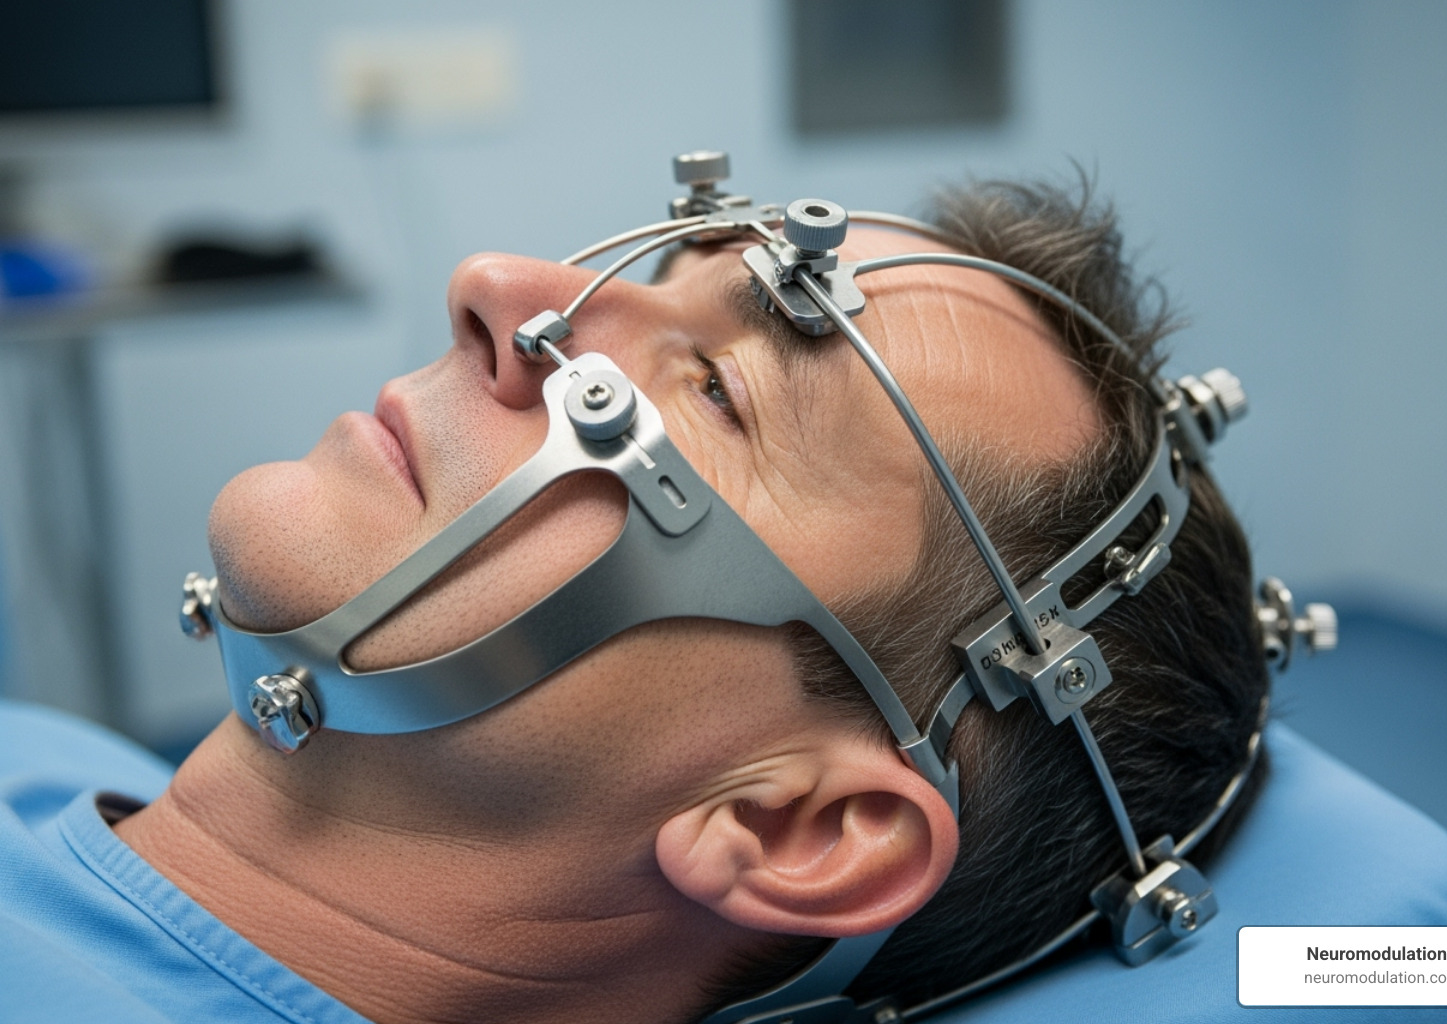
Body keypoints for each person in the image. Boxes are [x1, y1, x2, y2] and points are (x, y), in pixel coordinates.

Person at [0, 173, 1271, 1024]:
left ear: (797, 828)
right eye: (661, 271)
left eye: (719, 392)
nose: (501, 285)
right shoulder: (41, 755)